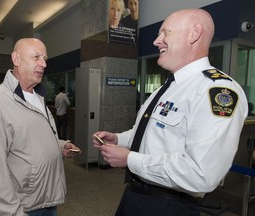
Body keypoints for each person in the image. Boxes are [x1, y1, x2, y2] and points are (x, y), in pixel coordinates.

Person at [93, 8, 248, 216]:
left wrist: (130, 159)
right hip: (135, 196)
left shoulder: (216, 91)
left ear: (194, 34)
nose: (157, 41)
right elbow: (152, 134)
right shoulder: (167, 87)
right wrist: (119, 139)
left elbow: (200, 173)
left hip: (169, 206)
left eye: (165, 32)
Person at [0, 38, 81, 216]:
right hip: (24, 206)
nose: (43, 64)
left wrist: (61, 146)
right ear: (16, 59)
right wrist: (12, 212)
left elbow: (33, 138)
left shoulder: (37, 96)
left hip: (48, 199)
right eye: (36, 57)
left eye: (45, 58)